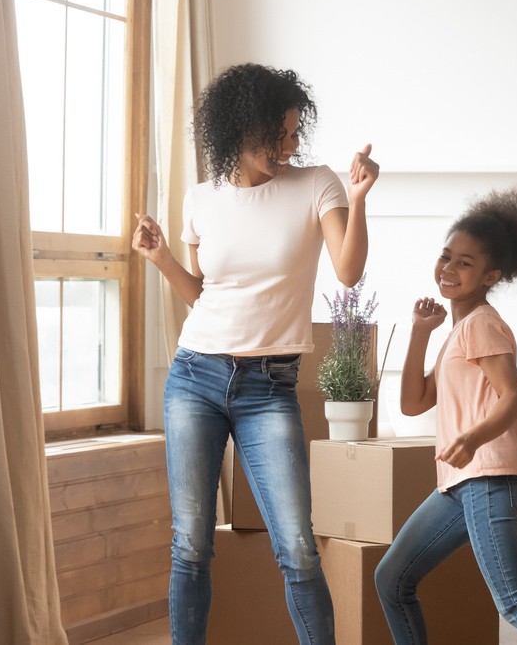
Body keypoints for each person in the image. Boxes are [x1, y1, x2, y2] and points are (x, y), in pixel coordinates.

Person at [131, 62, 378, 645]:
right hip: (194, 376)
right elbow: (203, 295)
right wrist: (163, 258)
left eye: (296, 133)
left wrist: (361, 197)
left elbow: (347, 273)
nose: (290, 146)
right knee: (191, 542)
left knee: (296, 545)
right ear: (241, 129)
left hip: (269, 387)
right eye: (279, 134)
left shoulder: (318, 184)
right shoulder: (201, 199)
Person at [376, 187, 517, 645]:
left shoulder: (483, 324)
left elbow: (514, 397)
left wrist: (471, 438)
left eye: (464, 263)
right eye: (446, 257)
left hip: (489, 478)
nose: (449, 269)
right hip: (459, 484)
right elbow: (413, 403)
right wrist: (419, 332)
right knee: (392, 579)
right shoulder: (459, 331)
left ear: (491, 275)